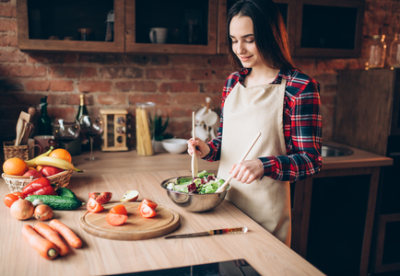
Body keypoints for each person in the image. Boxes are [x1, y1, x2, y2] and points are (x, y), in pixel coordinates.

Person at [187, 0, 322, 246]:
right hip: (224, 208)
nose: (240, 49)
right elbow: (226, 141)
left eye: (249, 39)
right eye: (234, 40)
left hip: (266, 219)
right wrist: (207, 149)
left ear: (271, 35)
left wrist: (264, 165)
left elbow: (311, 161)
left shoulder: (299, 87)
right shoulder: (232, 83)